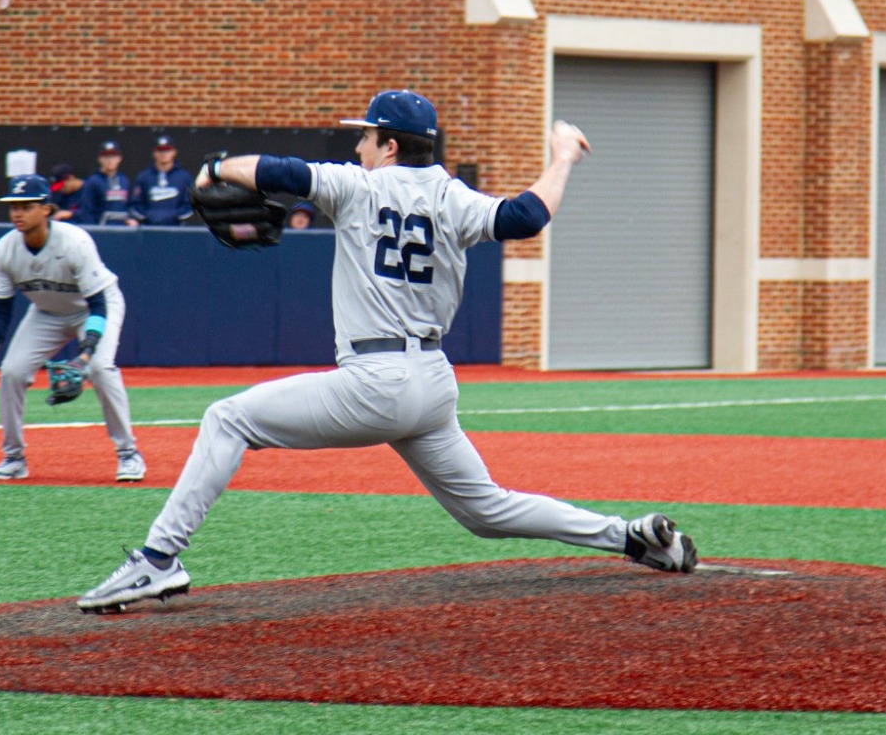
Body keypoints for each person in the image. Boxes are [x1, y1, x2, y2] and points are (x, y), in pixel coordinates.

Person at [77, 90, 696, 613]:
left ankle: (159, 558)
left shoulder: (356, 187)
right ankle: (632, 537)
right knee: (485, 510)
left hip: (375, 382)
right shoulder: (455, 197)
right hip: (432, 381)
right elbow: (527, 216)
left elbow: (277, 172)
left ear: (391, 146)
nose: (358, 147)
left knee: (227, 418)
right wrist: (562, 157)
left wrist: (213, 168)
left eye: (368, 137)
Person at [0, 174, 146, 483]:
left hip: (94, 307)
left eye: (27, 206)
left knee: (101, 369)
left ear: (46, 209)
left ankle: (128, 453)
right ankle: (14, 458)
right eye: (14, 207)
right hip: (47, 312)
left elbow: (98, 305)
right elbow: (0, 310)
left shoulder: (74, 242)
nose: (18, 213)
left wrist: (85, 356)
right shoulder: (4, 250)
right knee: (11, 372)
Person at [126, 135, 194, 226]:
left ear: (174, 152)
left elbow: (190, 205)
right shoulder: (144, 176)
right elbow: (135, 205)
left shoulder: (184, 177)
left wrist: (173, 216)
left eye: (167, 150)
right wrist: (150, 216)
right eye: (160, 150)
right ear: (154, 153)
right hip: (149, 228)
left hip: (176, 229)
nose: (163, 154)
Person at [76, 141, 131, 226]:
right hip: (102, 230)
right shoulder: (93, 182)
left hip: (123, 229)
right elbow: (87, 211)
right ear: (100, 159)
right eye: (106, 156)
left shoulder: (124, 180)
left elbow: (129, 206)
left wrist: (131, 219)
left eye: (113, 156)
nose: (110, 160)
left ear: (119, 158)